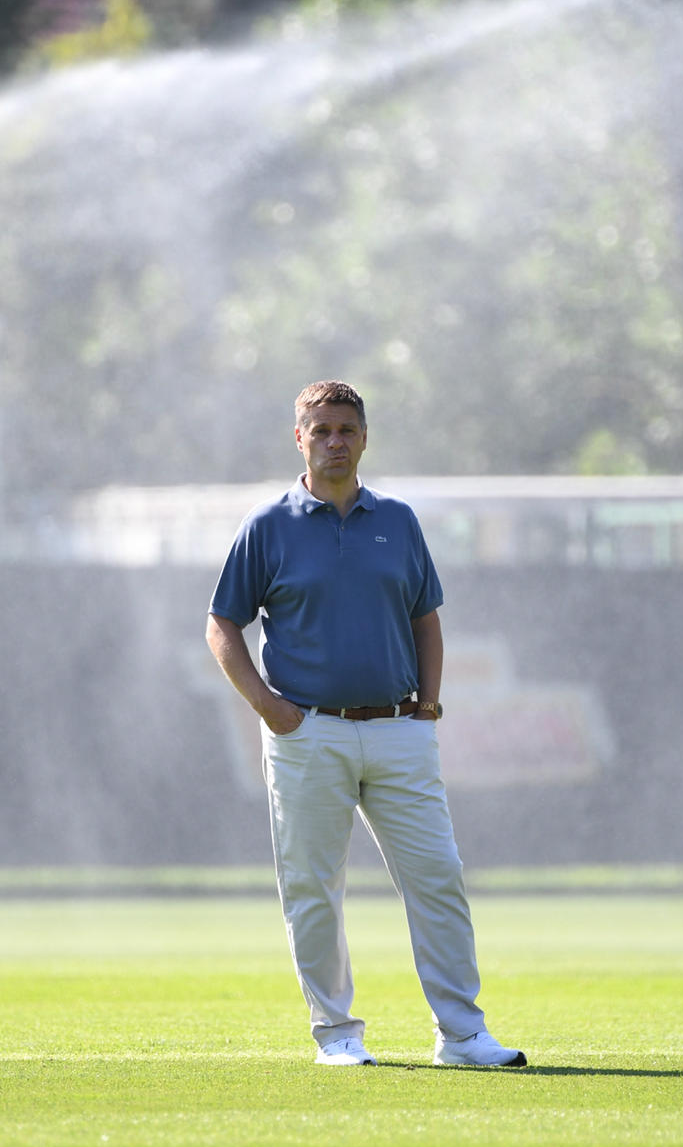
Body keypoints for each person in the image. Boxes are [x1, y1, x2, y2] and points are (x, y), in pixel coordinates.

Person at [205, 380, 526, 1068]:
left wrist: (429, 706)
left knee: (438, 875)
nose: (334, 441)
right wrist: (267, 706)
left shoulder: (398, 520)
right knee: (314, 887)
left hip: (398, 728)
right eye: (320, 430)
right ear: (300, 438)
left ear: (364, 437)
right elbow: (222, 623)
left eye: (346, 429)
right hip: (306, 730)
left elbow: (425, 617)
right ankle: (337, 1033)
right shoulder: (269, 524)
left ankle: (463, 1035)